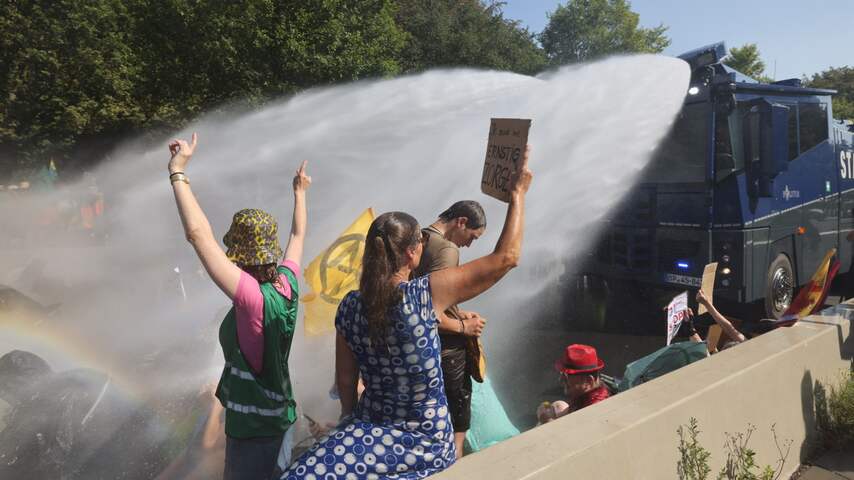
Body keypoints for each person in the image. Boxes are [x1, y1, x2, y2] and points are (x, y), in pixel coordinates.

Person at [282, 145, 533, 479]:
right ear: (414, 253)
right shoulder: (423, 295)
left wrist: (350, 425)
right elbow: (507, 257)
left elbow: (346, 381)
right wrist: (517, 194)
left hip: (370, 426)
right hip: (426, 442)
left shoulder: (350, 306)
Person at [167, 133, 311, 479]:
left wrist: (177, 172)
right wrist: (300, 192)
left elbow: (198, 235)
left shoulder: (250, 298)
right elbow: (297, 236)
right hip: (281, 419)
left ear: (239, 254)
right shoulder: (286, 282)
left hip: (252, 431)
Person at [412, 200, 488, 457]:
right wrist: (464, 326)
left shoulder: (419, 237)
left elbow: (422, 296)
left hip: (418, 351)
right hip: (446, 352)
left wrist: (457, 310)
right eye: (472, 237)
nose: (469, 244)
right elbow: (428, 310)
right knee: (457, 426)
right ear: (462, 222)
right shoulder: (447, 249)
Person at [537, 344, 610, 424]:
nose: (561, 379)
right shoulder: (585, 394)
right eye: (562, 374)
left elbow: (576, 434)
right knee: (558, 405)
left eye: (567, 376)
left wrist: (547, 421)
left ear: (588, 381)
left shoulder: (594, 409)